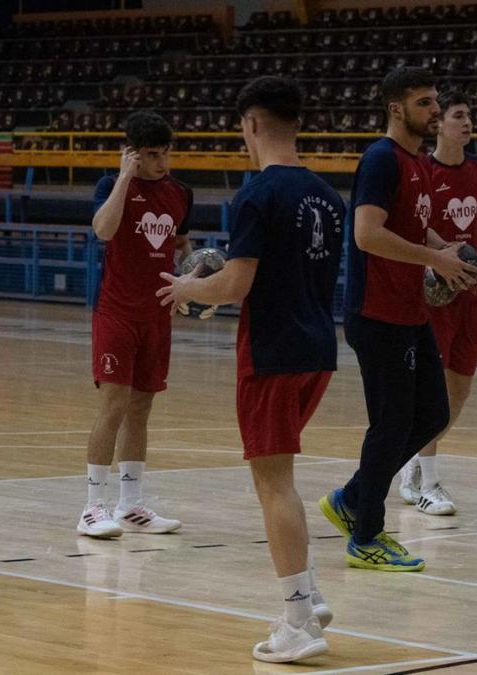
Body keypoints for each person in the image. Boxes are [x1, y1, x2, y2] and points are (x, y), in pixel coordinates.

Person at [156, 76, 342, 662]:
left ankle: (297, 622)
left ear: (252, 124)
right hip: (317, 349)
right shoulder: (327, 196)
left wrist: (191, 286)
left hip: (271, 351)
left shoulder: (256, 196)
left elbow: (236, 284)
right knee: (280, 476)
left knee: (274, 482)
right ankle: (308, 597)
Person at [318, 67, 477, 570]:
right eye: (426, 103)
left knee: (432, 415)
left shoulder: (418, 164)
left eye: (436, 103)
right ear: (396, 109)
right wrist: (436, 260)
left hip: (411, 312)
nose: (434, 111)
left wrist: (445, 252)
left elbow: (417, 227)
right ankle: (366, 535)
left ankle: (350, 498)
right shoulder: (382, 160)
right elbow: (368, 233)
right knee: (389, 426)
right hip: (377, 312)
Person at [396, 89, 477, 516]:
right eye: (460, 116)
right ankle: (430, 484)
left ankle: (411, 461)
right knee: (433, 390)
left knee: (459, 391)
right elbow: (411, 228)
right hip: (432, 293)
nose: (467, 123)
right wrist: (437, 260)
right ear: (440, 123)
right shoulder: (421, 171)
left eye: (470, 116)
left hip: (471, 292)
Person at [80, 110, 192, 538]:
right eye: (151, 154)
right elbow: (103, 231)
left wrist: (190, 278)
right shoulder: (111, 187)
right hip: (116, 312)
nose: (162, 162)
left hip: (156, 315)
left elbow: (180, 244)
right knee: (114, 405)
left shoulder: (180, 193)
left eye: (165, 153)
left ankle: (130, 505)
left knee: (141, 409)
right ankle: (92, 507)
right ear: (131, 154)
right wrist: (125, 179)